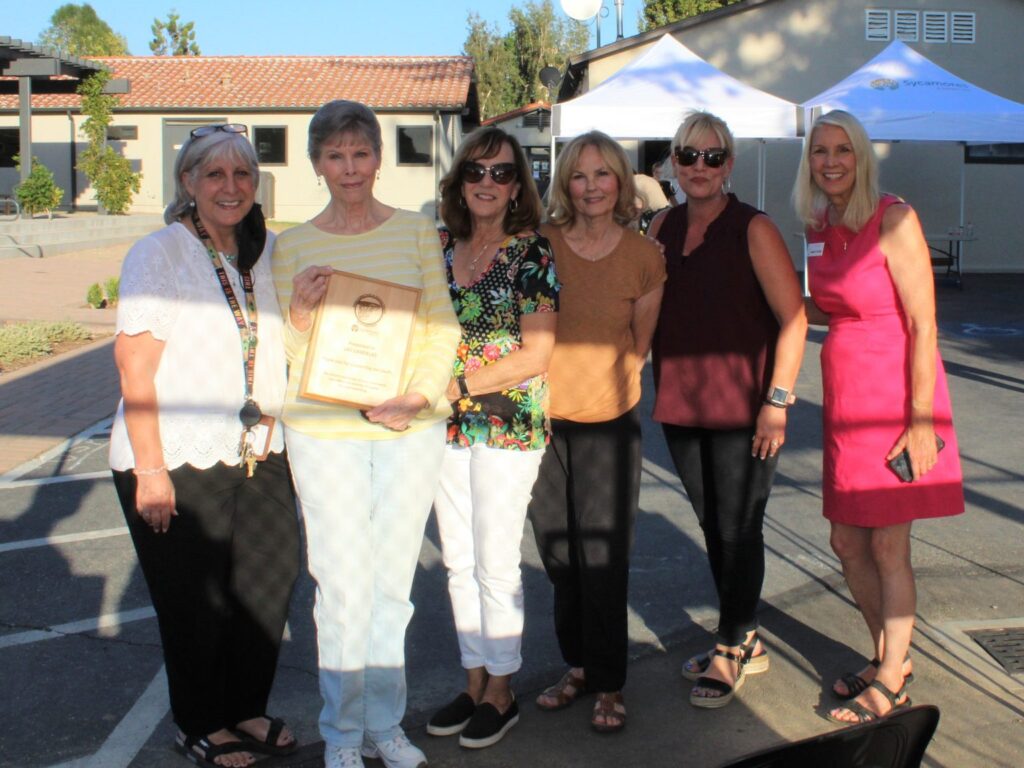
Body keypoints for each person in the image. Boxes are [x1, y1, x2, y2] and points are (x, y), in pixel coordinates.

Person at [272, 100, 460, 768]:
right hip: (324, 435)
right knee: (342, 585)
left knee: (391, 589)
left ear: (378, 158)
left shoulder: (416, 231)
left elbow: (441, 325)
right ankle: (343, 735)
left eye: (360, 153)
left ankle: (386, 725)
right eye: (335, 155)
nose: (349, 168)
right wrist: (299, 313)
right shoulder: (292, 246)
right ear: (316, 163)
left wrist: (418, 396)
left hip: (410, 429)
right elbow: (290, 354)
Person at [110, 124, 300, 768]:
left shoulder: (265, 250)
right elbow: (135, 371)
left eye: (242, 174)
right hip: (177, 455)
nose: (230, 186)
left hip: (259, 450)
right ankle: (199, 723)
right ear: (187, 182)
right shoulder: (158, 254)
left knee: (267, 584)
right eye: (214, 174)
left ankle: (246, 707)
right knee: (195, 602)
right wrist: (151, 472)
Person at [794, 109, 964, 724]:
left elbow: (924, 324)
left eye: (842, 150)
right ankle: (888, 654)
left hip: (896, 399)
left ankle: (892, 678)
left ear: (861, 156)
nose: (831, 161)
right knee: (846, 541)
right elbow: (825, 305)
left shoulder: (895, 219)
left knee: (889, 545)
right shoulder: (819, 223)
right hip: (846, 397)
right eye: (820, 151)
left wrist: (920, 421)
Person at [648, 111, 807, 710]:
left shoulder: (753, 228)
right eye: (688, 156)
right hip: (681, 401)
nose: (700, 167)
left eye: (712, 157)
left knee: (739, 527)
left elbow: (795, 319)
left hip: (745, 408)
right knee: (714, 524)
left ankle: (732, 643)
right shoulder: (661, 225)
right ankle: (746, 636)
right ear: (673, 162)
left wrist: (777, 402)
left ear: (729, 164)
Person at [528, 130, 665, 733]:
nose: (590, 187)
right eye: (579, 176)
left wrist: (609, 390)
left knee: (602, 557)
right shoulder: (542, 244)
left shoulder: (644, 256)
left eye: (602, 174)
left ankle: (610, 682)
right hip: (543, 422)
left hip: (608, 423)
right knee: (558, 554)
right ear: (565, 183)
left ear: (620, 182)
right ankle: (579, 666)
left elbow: (640, 344)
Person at [426, 127, 558, 749]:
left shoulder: (531, 252)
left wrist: (456, 386)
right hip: (445, 424)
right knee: (458, 561)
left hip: (507, 422)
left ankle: (502, 691)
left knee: (495, 560)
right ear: (459, 182)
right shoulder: (438, 246)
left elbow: (538, 352)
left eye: (501, 173)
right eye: (476, 171)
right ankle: (473, 680)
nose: (487, 182)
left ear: (517, 187)